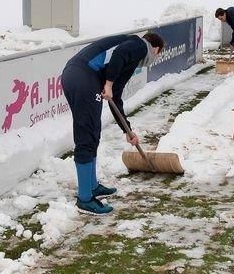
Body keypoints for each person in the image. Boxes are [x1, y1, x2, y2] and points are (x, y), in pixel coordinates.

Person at [61, 32, 163, 215]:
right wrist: (107, 84)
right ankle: (85, 199)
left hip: (79, 76)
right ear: (155, 48)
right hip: (83, 76)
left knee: (93, 131)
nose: (157, 57)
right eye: (159, 54)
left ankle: (92, 187)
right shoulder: (139, 45)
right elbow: (119, 54)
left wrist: (127, 130)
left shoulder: (131, 56)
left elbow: (115, 96)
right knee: (86, 135)